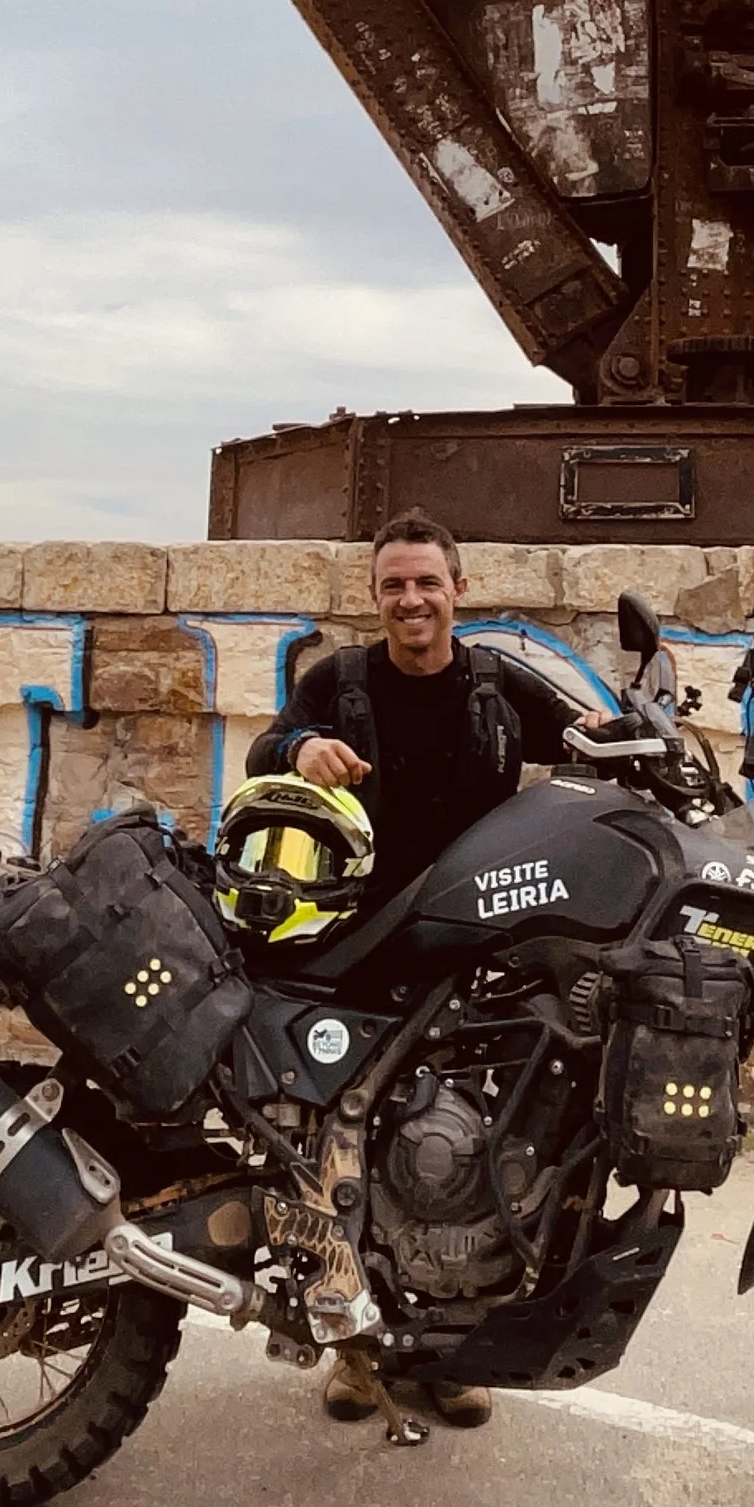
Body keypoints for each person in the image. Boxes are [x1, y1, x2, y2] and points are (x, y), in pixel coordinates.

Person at [244, 509, 597, 1433]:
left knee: (485, 1146)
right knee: (342, 1147)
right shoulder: (340, 683)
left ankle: (456, 1357)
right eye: (395, 584)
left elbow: (583, 733)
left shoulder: (494, 681)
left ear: (459, 590)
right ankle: (358, 1352)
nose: (413, 599)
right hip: (364, 943)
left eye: (428, 583)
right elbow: (261, 750)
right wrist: (299, 749)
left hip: (483, 948)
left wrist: (631, 730)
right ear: (376, 596)